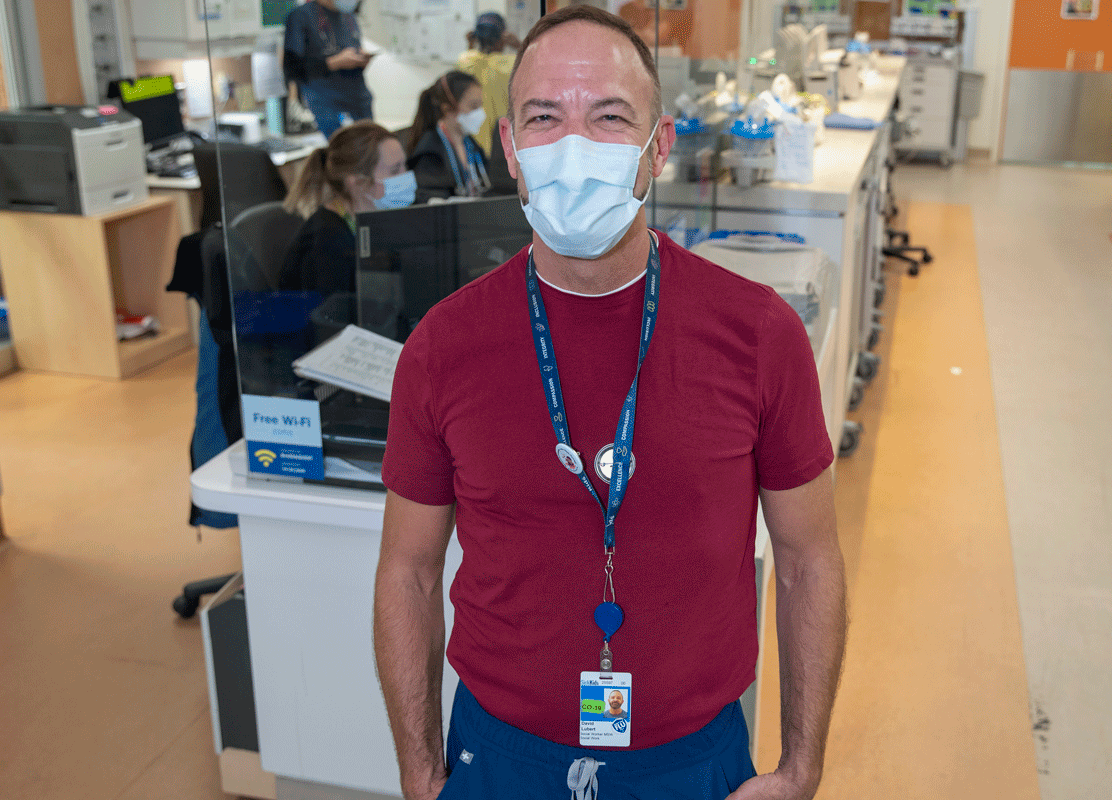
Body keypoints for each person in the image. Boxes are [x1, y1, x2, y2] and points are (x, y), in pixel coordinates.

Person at [374, 6, 845, 800]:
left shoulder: (759, 333)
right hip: (498, 757)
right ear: (511, 153)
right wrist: (421, 775)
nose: (574, 148)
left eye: (610, 117)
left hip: (691, 760)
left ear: (658, 148)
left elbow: (808, 561)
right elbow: (408, 573)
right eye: (545, 119)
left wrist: (801, 768)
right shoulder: (443, 347)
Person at [279, 121, 413, 299]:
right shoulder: (327, 242)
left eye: (405, 166)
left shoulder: (372, 222)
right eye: (395, 170)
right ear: (357, 181)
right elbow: (330, 321)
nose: (407, 177)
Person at [283, 0, 374, 139]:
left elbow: (351, 47)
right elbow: (293, 69)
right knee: (345, 153)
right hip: (328, 108)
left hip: (360, 104)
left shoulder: (348, 16)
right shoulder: (301, 17)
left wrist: (360, 59)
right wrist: (333, 63)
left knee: (370, 151)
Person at [405, 71, 491, 203]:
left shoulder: (471, 145)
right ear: (447, 109)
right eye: (473, 106)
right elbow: (429, 199)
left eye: (480, 105)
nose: (480, 113)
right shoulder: (429, 152)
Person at [456, 12, 520, 158]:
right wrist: (519, 45)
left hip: (472, 145)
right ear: (503, 37)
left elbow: (470, 63)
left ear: (476, 36)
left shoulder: (465, 61)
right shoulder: (512, 64)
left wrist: (470, 45)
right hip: (502, 145)